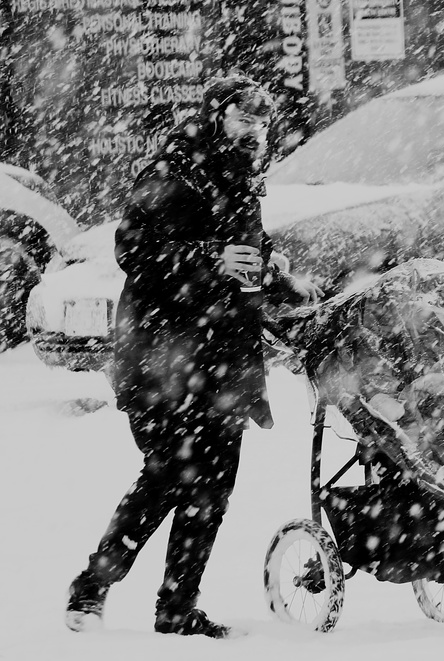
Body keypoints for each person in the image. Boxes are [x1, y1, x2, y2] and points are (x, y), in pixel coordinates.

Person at [64, 74, 322, 638]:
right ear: (215, 117)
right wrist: (210, 260)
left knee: (210, 488)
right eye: (242, 119)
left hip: (223, 363)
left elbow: (246, 259)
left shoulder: (240, 179)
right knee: (169, 477)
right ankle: (91, 589)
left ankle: (176, 610)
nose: (254, 131)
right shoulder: (174, 171)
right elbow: (133, 250)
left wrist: (280, 280)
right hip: (164, 360)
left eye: (261, 121)